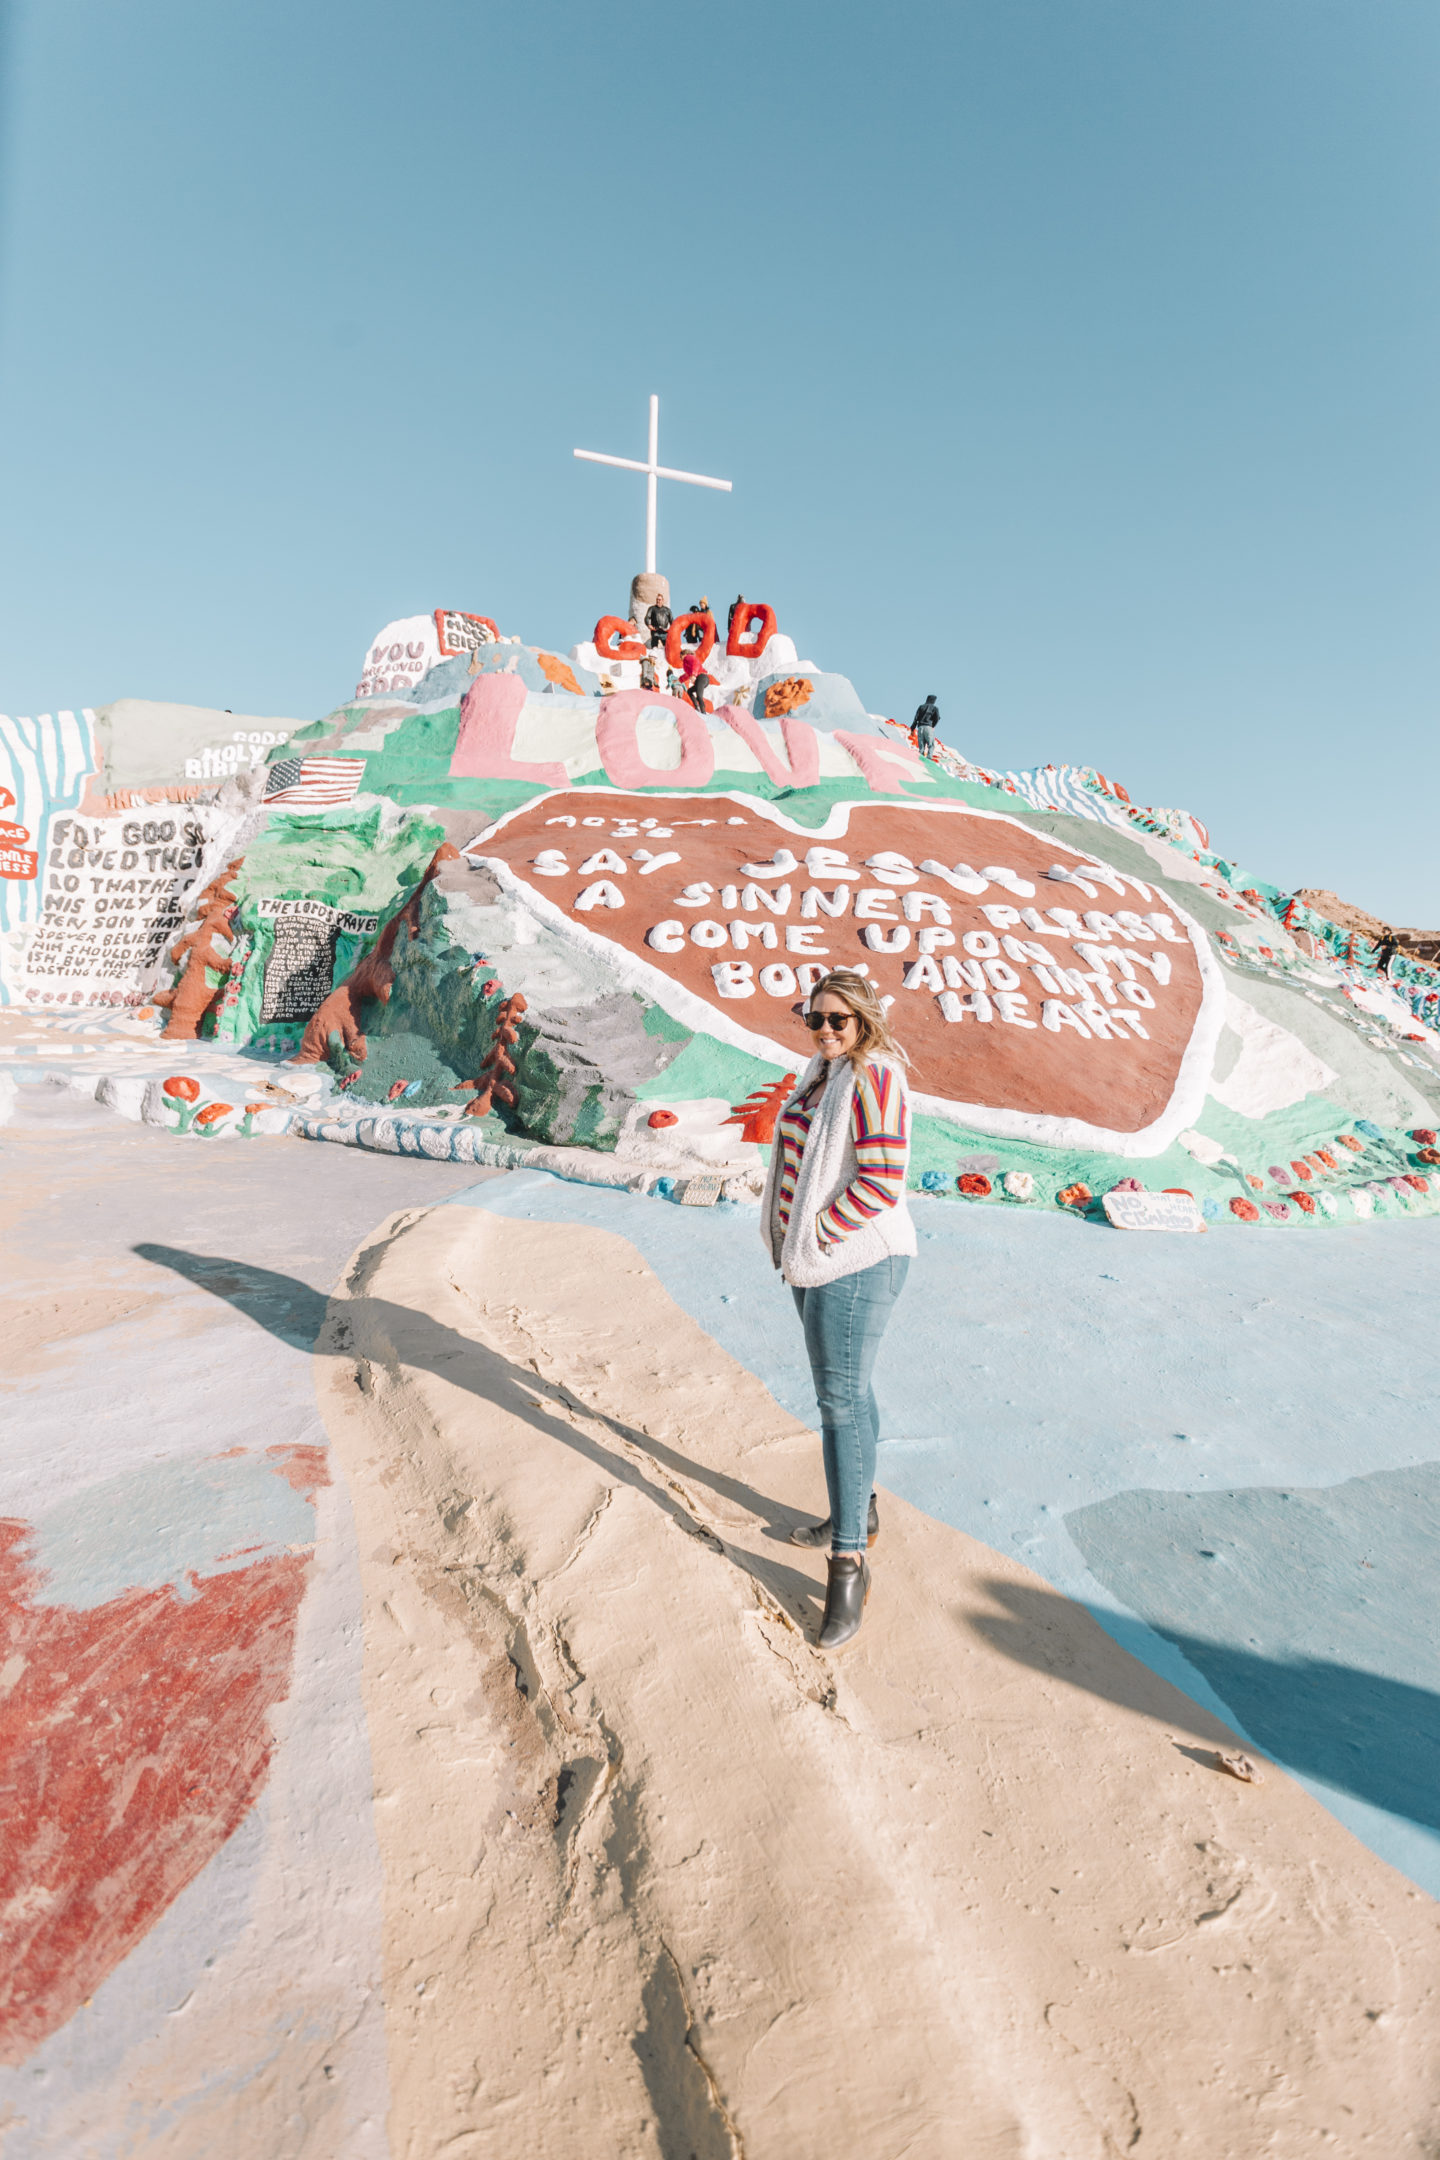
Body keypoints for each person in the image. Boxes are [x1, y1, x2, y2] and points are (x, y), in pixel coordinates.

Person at [760, 970, 916, 1649]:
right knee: (850, 1391)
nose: (825, 1029)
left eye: (838, 1020)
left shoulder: (873, 1074)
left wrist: (821, 1233)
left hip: (853, 1259)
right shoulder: (820, 1073)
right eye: (814, 1017)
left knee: (840, 1402)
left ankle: (848, 1563)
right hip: (814, 1259)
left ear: (865, 1022)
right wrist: (795, 1239)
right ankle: (862, 1508)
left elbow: (882, 1177)